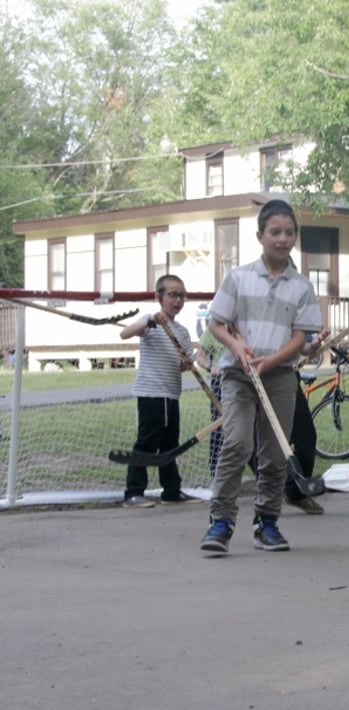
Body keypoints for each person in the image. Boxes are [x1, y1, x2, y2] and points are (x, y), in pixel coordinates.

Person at [200, 199, 323, 555]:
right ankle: (220, 522)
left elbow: (301, 338)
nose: (282, 239)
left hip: (279, 376)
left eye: (289, 233)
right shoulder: (238, 277)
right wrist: (237, 350)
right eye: (275, 232)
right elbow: (216, 323)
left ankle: (266, 523)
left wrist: (272, 362)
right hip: (238, 376)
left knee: (274, 453)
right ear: (260, 235)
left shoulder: (301, 286)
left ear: (295, 237)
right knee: (237, 442)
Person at [119, 274, 203, 508]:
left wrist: (187, 363)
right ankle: (133, 492)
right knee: (146, 443)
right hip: (150, 394)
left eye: (182, 296)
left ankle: (171, 491)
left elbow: (184, 363)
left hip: (171, 394)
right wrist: (149, 322)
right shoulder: (151, 323)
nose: (178, 300)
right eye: (172, 295)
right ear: (159, 297)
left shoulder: (183, 331)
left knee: (170, 445)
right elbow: (125, 333)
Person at [282, 330, 329, 515]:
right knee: (260, 443)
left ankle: (296, 493)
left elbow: (303, 347)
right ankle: (266, 495)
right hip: (258, 378)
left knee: (307, 437)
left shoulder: (291, 313)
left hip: (288, 379)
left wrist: (314, 345)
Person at [193, 326, 226, 478]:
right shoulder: (214, 328)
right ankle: (216, 472)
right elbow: (200, 355)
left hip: (244, 380)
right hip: (221, 381)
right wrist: (210, 367)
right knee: (218, 425)